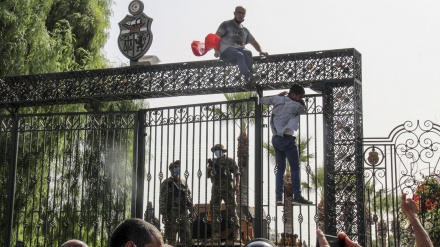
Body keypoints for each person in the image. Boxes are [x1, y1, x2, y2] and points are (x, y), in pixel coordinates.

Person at [260, 84, 313, 205]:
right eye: (299, 96)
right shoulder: (295, 105)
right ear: (294, 95)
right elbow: (304, 111)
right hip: (287, 139)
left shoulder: (277, 99)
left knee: (280, 168)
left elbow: (262, 100)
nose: (300, 98)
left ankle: (279, 197)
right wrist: (302, 102)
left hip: (276, 139)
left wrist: (277, 96)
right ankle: (297, 196)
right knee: (295, 167)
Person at [214, 6, 268, 85]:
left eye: (243, 13)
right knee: (239, 54)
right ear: (234, 13)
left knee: (248, 53)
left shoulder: (244, 30)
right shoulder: (226, 24)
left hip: (239, 51)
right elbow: (216, 37)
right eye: (239, 12)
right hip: (226, 50)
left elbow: (254, 42)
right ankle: (248, 75)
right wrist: (216, 50)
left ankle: (249, 78)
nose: (240, 15)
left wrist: (261, 51)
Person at [207, 144, 241, 241]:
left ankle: (236, 233)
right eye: (215, 150)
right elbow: (208, 175)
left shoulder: (229, 161)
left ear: (223, 150)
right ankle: (216, 234)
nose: (216, 151)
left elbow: (236, 173)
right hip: (216, 187)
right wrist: (209, 170)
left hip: (227, 187)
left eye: (218, 149)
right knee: (215, 211)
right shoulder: (212, 162)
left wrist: (237, 185)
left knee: (231, 211)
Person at [159, 160, 195, 247]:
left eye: (178, 167)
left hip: (183, 212)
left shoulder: (183, 182)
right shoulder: (166, 182)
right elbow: (162, 198)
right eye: (175, 167)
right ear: (171, 170)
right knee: (170, 239)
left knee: (186, 237)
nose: (177, 169)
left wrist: (192, 211)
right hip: (171, 212)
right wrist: (163, 213)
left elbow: (189, 198)